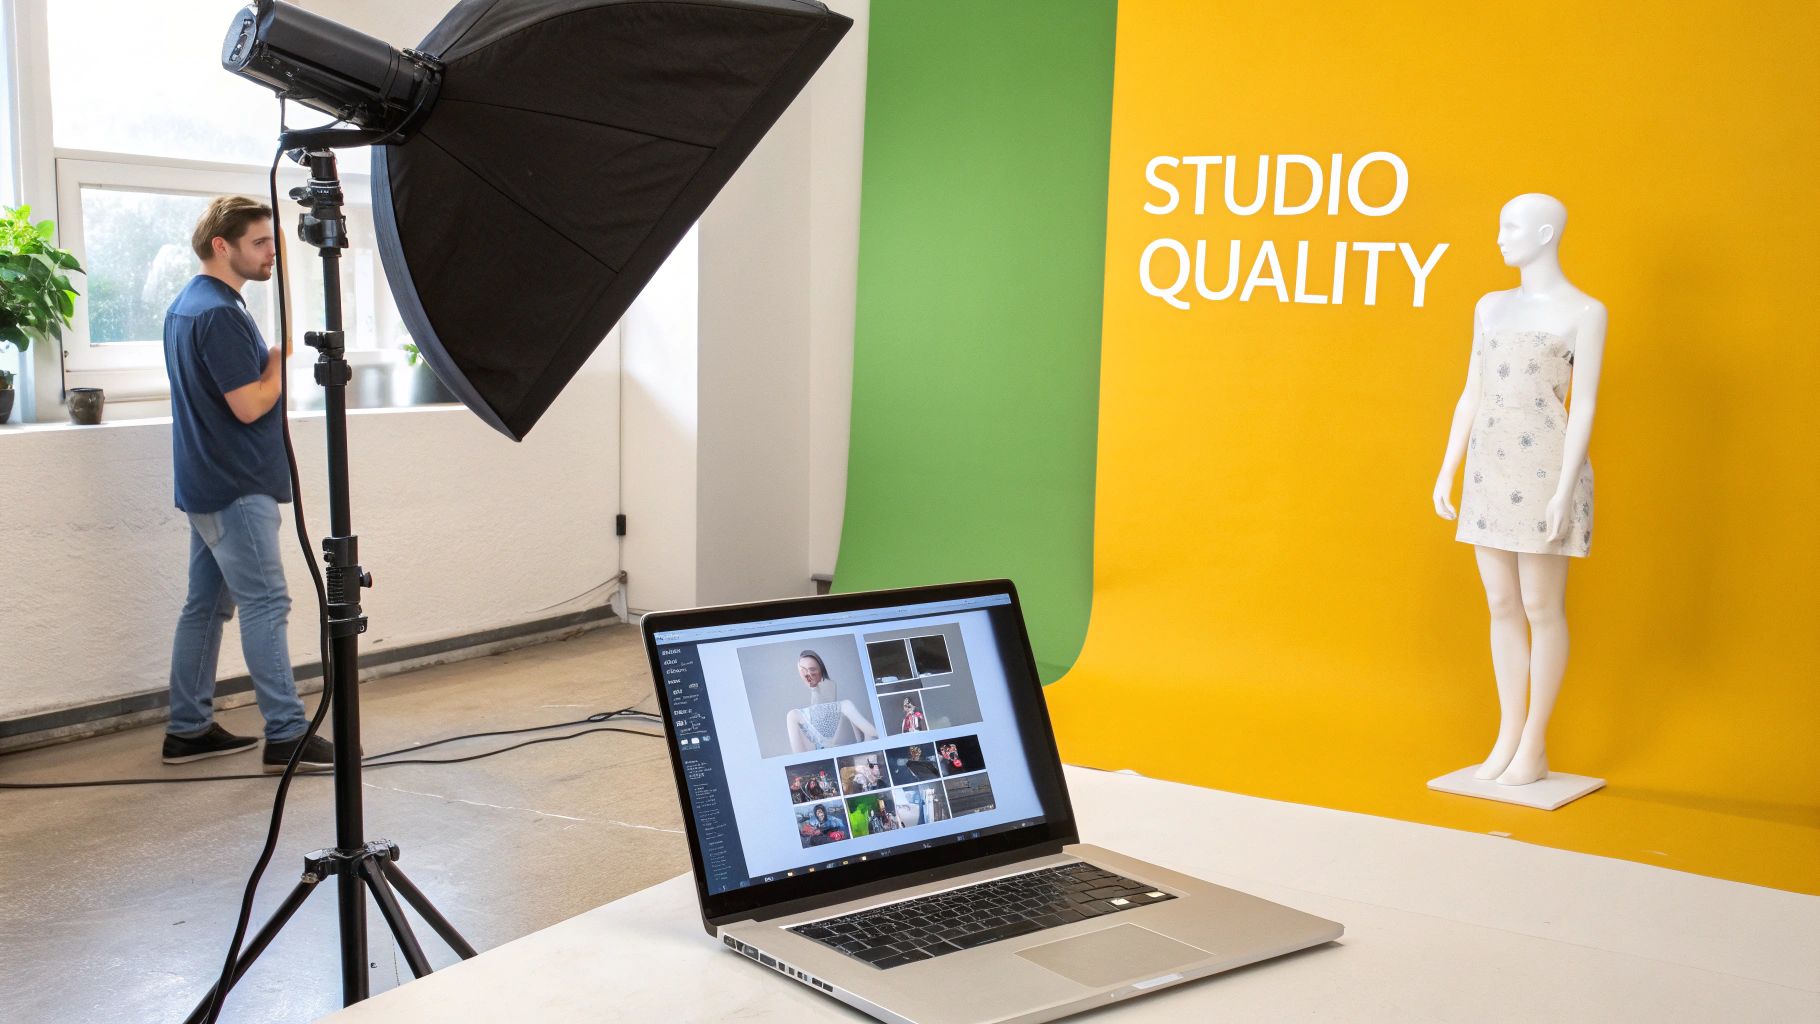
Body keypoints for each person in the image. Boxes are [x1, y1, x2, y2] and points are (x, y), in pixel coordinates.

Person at [160, 196, 334, 772]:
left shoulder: (189, 305)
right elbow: (247, 404)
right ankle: (286, 733)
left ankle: (187, 730)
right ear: (222, 246)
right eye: (260, 243)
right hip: (235, 486)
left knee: (205, 607)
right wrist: (280, 360)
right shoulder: (218, 313)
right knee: (267, 603)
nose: (272, 254)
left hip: (206, 481)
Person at [785, 650, 879, 752]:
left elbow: (872, 732)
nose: (809, 675)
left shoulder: (845, 705)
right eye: (804, 672)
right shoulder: (794, 715)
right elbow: (800, 757)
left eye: (812, 670)